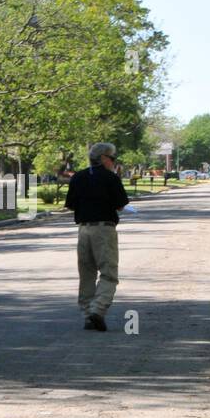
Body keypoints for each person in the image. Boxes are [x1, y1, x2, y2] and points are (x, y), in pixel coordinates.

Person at [64, 141, 130, 331]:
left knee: (86, 274)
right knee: (109, 273)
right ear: (103, 158)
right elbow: (120, 205)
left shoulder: (78, 177)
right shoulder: (111, 178)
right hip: (104, 230)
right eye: (112, 158)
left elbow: (70, 205)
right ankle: (97, 309)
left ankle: (87, 315)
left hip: (83, 230)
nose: (114, 161)